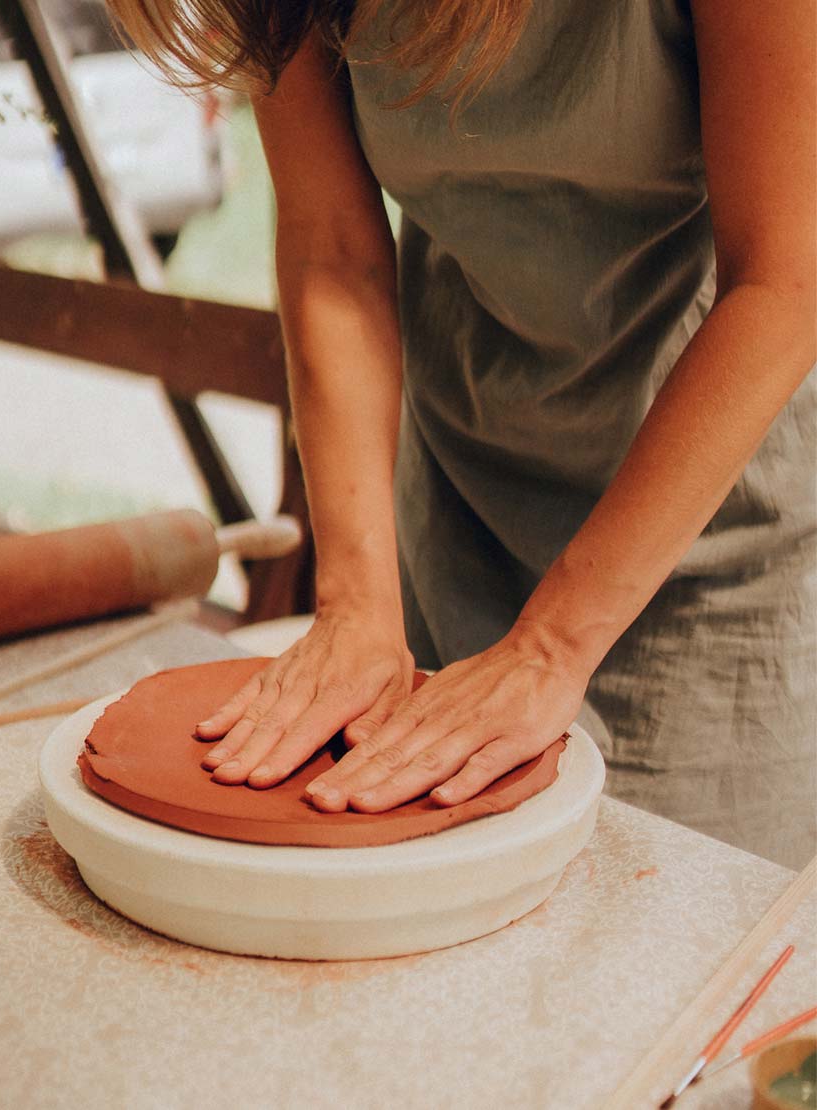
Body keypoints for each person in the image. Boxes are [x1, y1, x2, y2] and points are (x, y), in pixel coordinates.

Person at [108, 0, 815, 867]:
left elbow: (787, 280)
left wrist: (552, 644)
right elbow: (332, 247)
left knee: (669, 945)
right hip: (459, 508)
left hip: (718, 539)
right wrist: (357, 608)